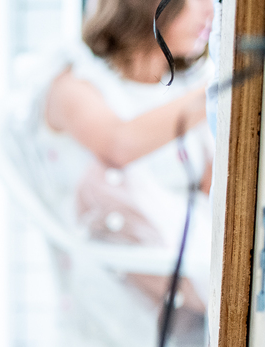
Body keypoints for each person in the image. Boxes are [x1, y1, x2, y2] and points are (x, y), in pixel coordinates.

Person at [35, 0, 216, 323]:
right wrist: (220, 92)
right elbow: (119, 145)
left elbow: (208, 181)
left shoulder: (184, 84)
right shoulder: (74, 83)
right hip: (121, 281)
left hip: (181, 267)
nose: (211, 12)